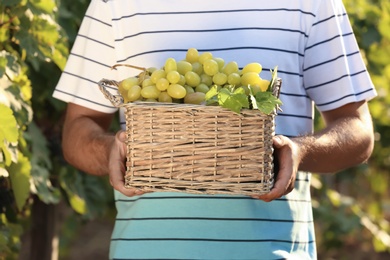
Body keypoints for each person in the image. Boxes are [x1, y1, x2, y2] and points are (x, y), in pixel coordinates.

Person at [53, 0, 376, 259]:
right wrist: (110, 150)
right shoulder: (114, 4)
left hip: (273, 254)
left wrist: (300, 150)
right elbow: (78, 130)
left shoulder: (312, 4)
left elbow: (358, 131)